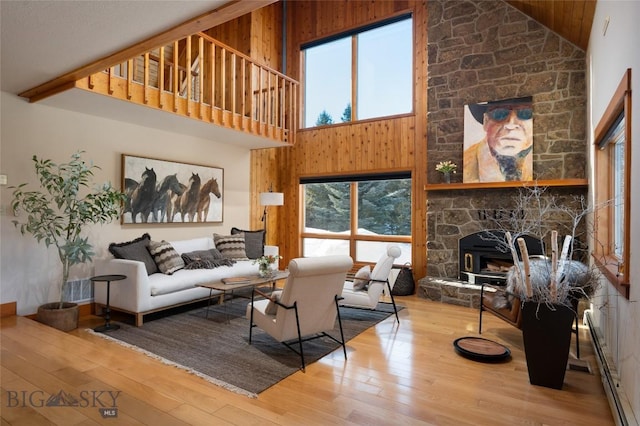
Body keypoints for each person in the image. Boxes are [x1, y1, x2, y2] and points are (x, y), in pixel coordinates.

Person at [463, 97, 533, 183]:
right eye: (499, 114)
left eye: (525, 113)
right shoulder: (467, 162)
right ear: (486, 121)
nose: (510, 125)